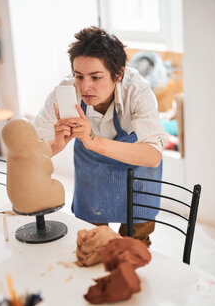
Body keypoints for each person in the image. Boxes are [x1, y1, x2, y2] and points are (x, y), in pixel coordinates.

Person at [34, 26, 167, 247]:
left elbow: (153, 156)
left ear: (118, 74)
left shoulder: (138, 91)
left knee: (135, 245)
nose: (85, 87)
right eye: (79, 76)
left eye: (96, 77)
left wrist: (92, 141)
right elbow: (32, 149)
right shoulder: (66, 93)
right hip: (92, 170)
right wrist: (55, 146)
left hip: (137, 168)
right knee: (92, 242)